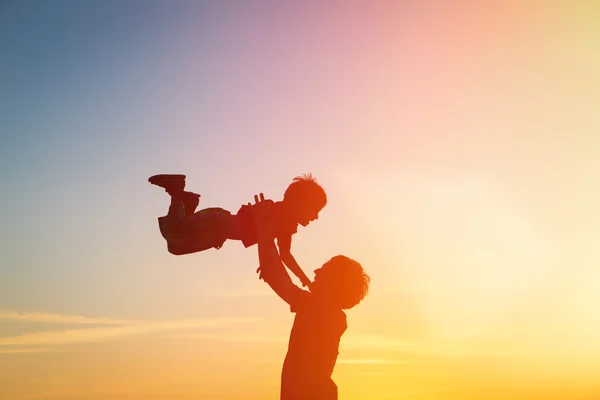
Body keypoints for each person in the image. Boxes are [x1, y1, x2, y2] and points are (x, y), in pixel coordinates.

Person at [251, 193, 370, 400]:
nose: (314, 272)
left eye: (322, 270)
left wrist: (263, 227)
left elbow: (275, 276)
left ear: (334, 283)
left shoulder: (317, 308)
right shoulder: (332, 315)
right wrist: (269, 251)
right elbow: (276, 272)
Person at [148, 174, 326, 287]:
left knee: (177, 245)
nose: (315, 217)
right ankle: (178, 192)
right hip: (217, 223)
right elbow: (280, 250)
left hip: (217, 230)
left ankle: (186, 200)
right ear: (299, 204)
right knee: (177, 235)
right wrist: (304, 280)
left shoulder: (284, 222)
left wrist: (269, 261)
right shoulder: (280, 217)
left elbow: (276, 248)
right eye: (314, 210)